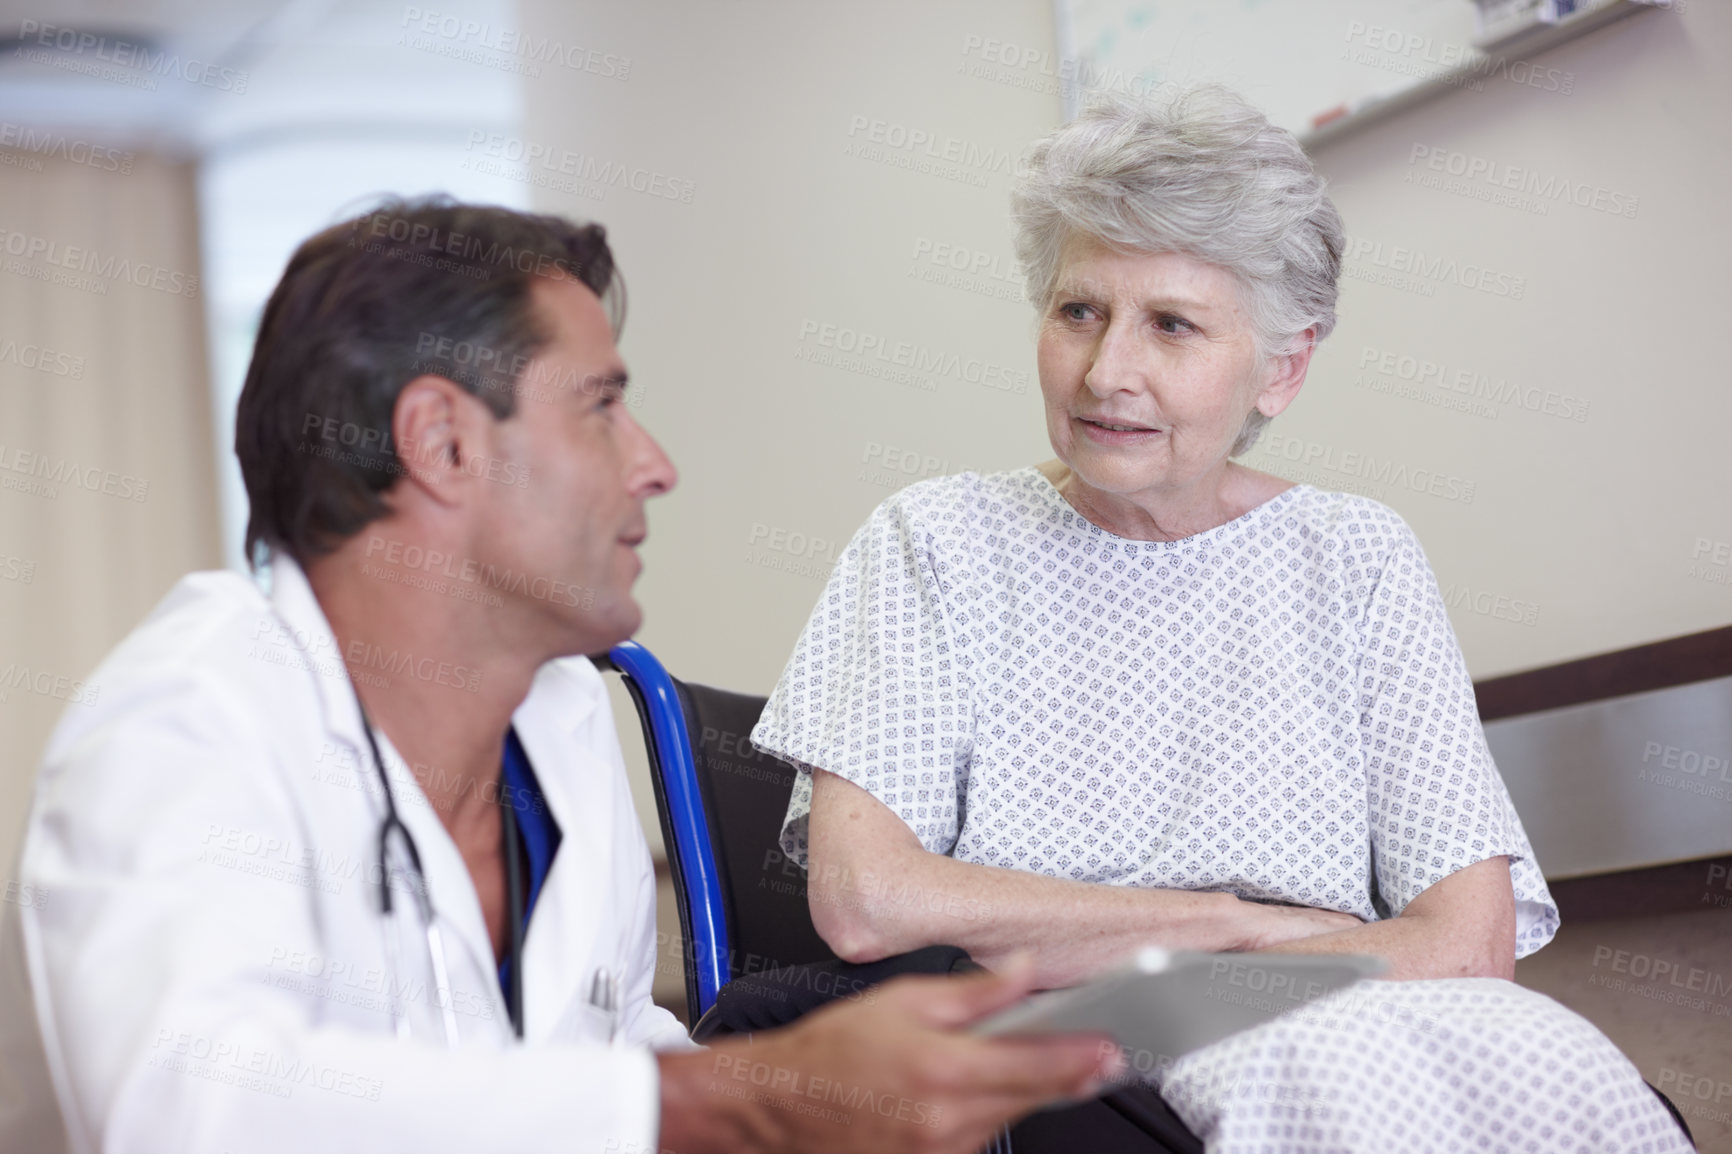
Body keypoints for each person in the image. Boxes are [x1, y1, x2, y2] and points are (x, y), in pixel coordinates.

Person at [0, 198, 1124, 1154]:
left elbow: (611, 1046)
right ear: (441, 443)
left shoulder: (561, 716)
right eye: (601, 406)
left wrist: (828, 1104)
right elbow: (196, 1106)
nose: (656, 463)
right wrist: (755, 1095)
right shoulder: (188, 716)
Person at [752, 90, 1694, 1152]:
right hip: (1056, 1034)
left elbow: (1468, 943)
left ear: (1280, 368)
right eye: (1078, 310)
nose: (1108, 370)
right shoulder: (936, 537)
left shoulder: (1355, 557)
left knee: (1553, 1066)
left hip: (1344, 1010)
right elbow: (866, 898)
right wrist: (1228, 926)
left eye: (1172, 324)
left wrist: (1263, 976)